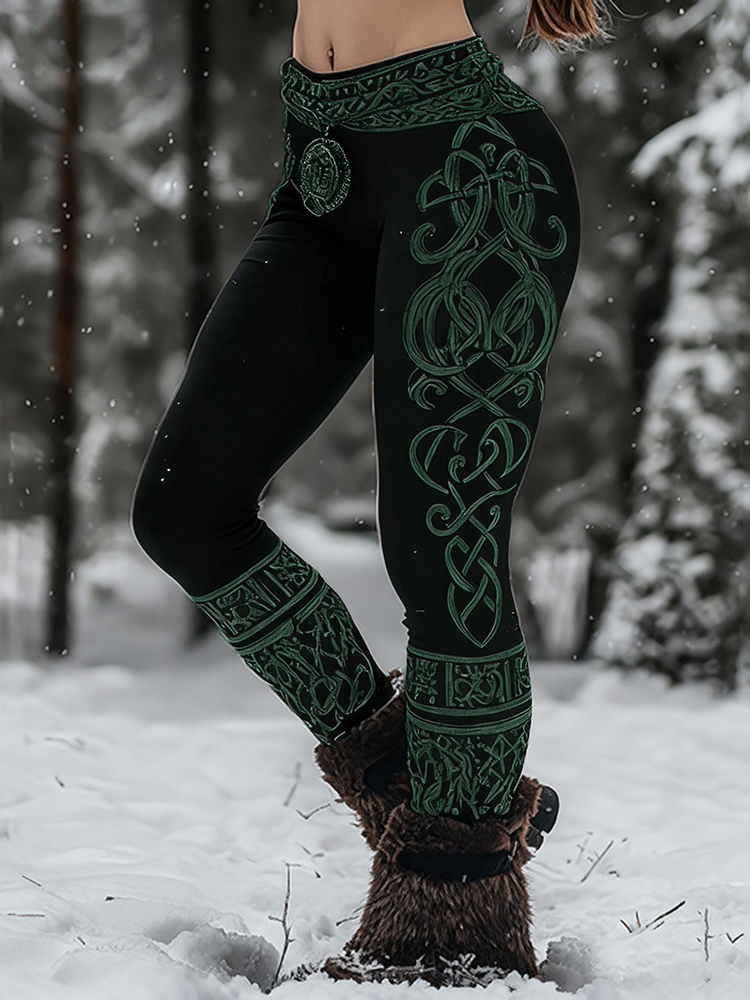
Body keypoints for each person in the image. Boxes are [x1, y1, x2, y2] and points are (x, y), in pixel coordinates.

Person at [131, 0, 612, 986]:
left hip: (474, 173)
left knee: (441, 550)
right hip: (323, 162)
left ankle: (458, 930)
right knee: (186, 512)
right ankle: (417, 785)